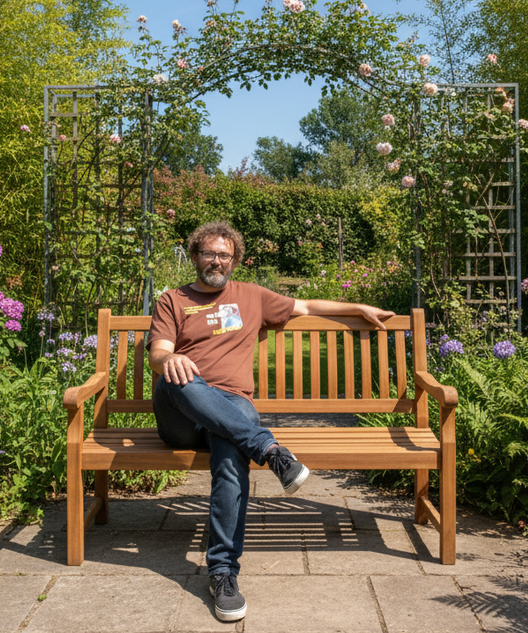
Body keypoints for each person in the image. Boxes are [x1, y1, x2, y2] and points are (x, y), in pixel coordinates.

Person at [147, 221, 394, 622]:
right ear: (195, 256)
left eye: (224, 255)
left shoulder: (252, 296)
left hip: (231, 409)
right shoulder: (173, 300)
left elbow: (309, 307)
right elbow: (158, 353)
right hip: (181, 411)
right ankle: (269, 449)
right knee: (179, 378)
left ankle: (223, 573)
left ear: (235, 261)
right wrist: (168, 359)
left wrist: (358, 308)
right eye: (208, 253)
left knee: (230, 456)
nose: (216, 260)